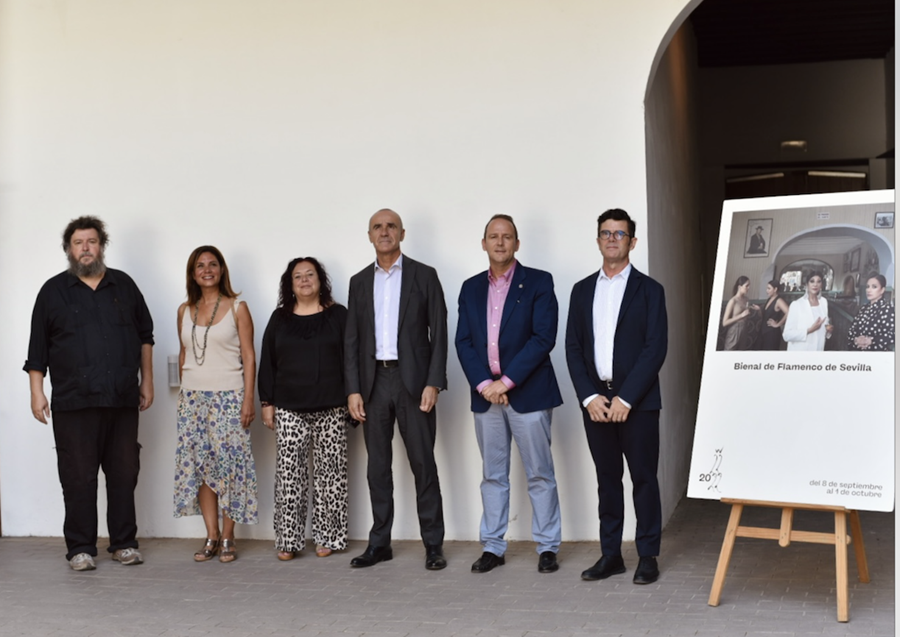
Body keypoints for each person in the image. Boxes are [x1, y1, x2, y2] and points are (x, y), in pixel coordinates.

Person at [25, 215, 154, 571]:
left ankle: (124, 543)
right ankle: (80, 548)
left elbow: (146, 335)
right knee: (78, 476)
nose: (86, 248)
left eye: (92, 241)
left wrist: (148, 381)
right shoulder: (52, 292)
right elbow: (38, 349)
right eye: (79, 242)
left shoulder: (124, 286)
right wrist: (37, 392)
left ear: (102, 245)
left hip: (122, 398)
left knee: (124, 472)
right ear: (69, 249)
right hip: (74, 401)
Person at [455, 215, 563, 575]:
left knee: (540, 474)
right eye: (493, 237)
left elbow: (543, 337)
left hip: (528, 393)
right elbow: (464, 342)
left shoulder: (539, 282)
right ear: (483, 243)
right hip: (487, 396)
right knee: (493, 475)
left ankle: (547, 547)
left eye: (507, 237)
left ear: (517, 243)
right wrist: (486, 385)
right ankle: (493, 546)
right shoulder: (470, 288)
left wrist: (508, 381)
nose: (500, 243)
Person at [565, 208, 667, 585]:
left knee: (643, 479)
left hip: (637, 404)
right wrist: (589, 396)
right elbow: (573, 348)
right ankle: (611, 555)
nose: (612, 239)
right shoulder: (581, 290)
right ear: (597, 241)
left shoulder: (650, 290)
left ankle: (647, 556)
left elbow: (655, 348)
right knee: (607, 480)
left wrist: (626, 399)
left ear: (632, 242)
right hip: (596, 404)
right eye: (606, 233)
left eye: (619, 234)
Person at [344, 208, 448, 570]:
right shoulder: (359, 282)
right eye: (378, 227)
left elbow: (439, 332)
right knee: (378, 468)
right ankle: (380, 543)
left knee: (423, 464)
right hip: (373, 385)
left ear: (402, 233)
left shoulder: (424, 275)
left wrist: (434, 381)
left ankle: (433, 545)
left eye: (391, 226)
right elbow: (352, 341)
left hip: (414, 383)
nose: (384, 232)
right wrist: (353, 389)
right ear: (369, 235)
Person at [258, 257, 350, 560]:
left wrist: (354, 396)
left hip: (333, 406)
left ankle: (330, 537)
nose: (305, 280)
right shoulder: (280, 318)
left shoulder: (339, 316)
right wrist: (267, 403)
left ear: (320, 280)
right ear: (290, 284)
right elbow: (267, 362)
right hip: (289, 407)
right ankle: (289, 540)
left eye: (310, 274)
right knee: (289, 476)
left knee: (331, 475)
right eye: (298, 276)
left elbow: (351, 359)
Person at [174, 246, 259, 563]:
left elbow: (249, 356)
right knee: (202, 470)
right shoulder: (184, 310)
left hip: (229, 397)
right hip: (193, 399)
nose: (206, 270)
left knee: (231, 468)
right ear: (192, 273)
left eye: (213, 264)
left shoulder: (239, 307)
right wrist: (184, 396)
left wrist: (248, 398)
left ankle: (228, 536)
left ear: (221, 270)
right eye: (200, 265)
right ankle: (210, 535)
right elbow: (184, 354)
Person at [782, 271, 832, 351]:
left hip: (818, 350)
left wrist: (829, 330)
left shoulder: (823, 302)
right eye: (812, 281)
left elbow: (825, 325)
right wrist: (809, 330)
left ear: (821, 285)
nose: (815, 284)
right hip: (801, 351)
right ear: (807, 285)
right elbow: (787, 335)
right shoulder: (796, 304)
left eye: (818, 281)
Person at [848, 273, 894, 351]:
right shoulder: (863, 308)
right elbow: (851, 330)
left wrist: (871, 340)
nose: (869, 290)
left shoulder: (887, 309)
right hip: (857, 353)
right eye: (867, 286)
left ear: (882, 290)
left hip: (875, 356)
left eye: (874, 287)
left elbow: (892, 335)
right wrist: (856, 339)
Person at [721, 276, 759, 351]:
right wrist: (741, 315)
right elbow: (724, 322)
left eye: (749, 285)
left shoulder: (746, 299)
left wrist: (756, 310)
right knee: (729, 353)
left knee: (741, 353)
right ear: (739, 287)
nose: (748, 288)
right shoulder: (733, 301)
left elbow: (746, 314)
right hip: (734, 330)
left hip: (744, 329)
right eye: (747, 285)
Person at [758, 280, 790, 351]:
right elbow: (765, 315)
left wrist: (778, 324)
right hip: (763, 331)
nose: (767, 290)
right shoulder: (769, 299)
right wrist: (759, 309)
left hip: (772, 333)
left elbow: (789, 312)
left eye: (769, 288)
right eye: (767, 288)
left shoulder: (779, 300)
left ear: (775, 289)